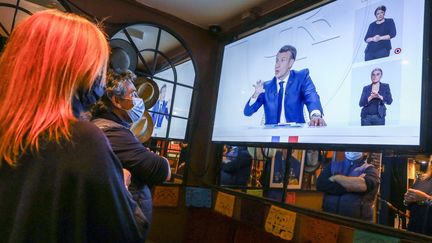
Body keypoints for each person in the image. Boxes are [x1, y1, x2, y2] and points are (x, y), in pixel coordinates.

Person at [0, 10, 145, 242]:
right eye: (98, 68)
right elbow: (128, 232)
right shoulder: (80, 138)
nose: (100, 81)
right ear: (74, 71)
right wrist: (122, 185)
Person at [91, 69, 171, 240]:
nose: (138, 101)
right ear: (116, 100)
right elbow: (162, 170)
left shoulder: (103, 126)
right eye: (133, 94)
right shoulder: (114, 133)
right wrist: (161, 159)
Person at [243, 45, 326, 126]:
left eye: (282, 60)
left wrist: (316, 116)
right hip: (271, 137)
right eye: (277, 60)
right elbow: (247, 112)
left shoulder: (301, 77)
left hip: (295, 135)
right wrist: (256, 94)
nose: (277, 65)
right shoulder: (266, 86)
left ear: (290, 63)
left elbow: (311, 96)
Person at [317, 152, 380, 222]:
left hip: (359, 224)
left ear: (365, 153)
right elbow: (321, 185)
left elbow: (362, 185)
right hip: (329, 220)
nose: (353, 150)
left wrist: (336, 177)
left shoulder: (370, 169)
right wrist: (352, 185)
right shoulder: (332, 165)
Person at [404, 164, 432, 236]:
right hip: (414, 229)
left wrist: (425, 198)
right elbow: (408, 205)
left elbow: (425, 199)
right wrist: (407, 200)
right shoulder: (421, 178)